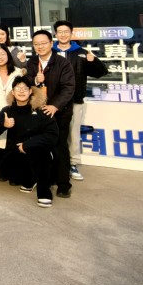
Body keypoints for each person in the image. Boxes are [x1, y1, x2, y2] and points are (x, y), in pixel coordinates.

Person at [0, 76, 59, 208]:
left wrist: (27, 144)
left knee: (41, 153)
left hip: (36, 151)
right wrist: (3, 124)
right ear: (13, 92)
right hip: (16, 153)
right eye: (18, 88)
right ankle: (30, 179)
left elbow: (52, 135)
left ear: (30, 91)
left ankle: (44, 193)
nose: (21, 91)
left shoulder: (41, 110)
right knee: (7, 172)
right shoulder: (7, 111)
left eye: (25, 88)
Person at [53, 20, 107, 182]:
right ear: (55, 34)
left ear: (71, 34)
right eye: (60, 32)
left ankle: (73, 163)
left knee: (73, 132)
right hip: (53, 101)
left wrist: (94, 61)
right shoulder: (50, 51)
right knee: (52, 132)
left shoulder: (81, 53)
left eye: (66, 32)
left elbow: (100, 73)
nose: (63, 34)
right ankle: (55, 162)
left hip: (75, 99)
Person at [26, 29, 76, 199]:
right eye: (36, 44)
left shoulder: (62, 63)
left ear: (51, 43)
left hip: (59, 113)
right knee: (41, 147)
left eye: (43, 43)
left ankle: (63, 184)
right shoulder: (32, 62)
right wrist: (35, 80)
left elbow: (69, 88)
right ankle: (45, 180)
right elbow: (27, 83)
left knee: (60, 147)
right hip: (39, 113)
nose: (40, 46)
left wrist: (55, 106)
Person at [0, 44, 24, 177]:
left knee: (11, 141)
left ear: (8, 55)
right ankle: (1, 169)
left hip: (13, 109)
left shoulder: (18, 72)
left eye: (2, 54)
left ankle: (12, 170)